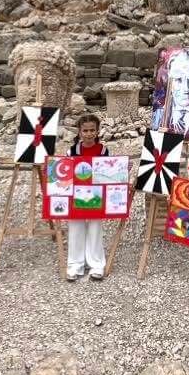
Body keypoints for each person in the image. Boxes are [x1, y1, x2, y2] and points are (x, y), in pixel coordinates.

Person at [65, 113, 109, 283]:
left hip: (96, 195)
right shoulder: (72, 151)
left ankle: (96, 264)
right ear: (79, 131)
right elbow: (65, 173)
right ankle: (75, 264)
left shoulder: (103, 151)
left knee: (95, 228)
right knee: (76, 228)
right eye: (85, 130)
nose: (89, 133)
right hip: (76, 195)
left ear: (97, 131)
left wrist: (121, 169)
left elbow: (109, 172)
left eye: (92, 130)